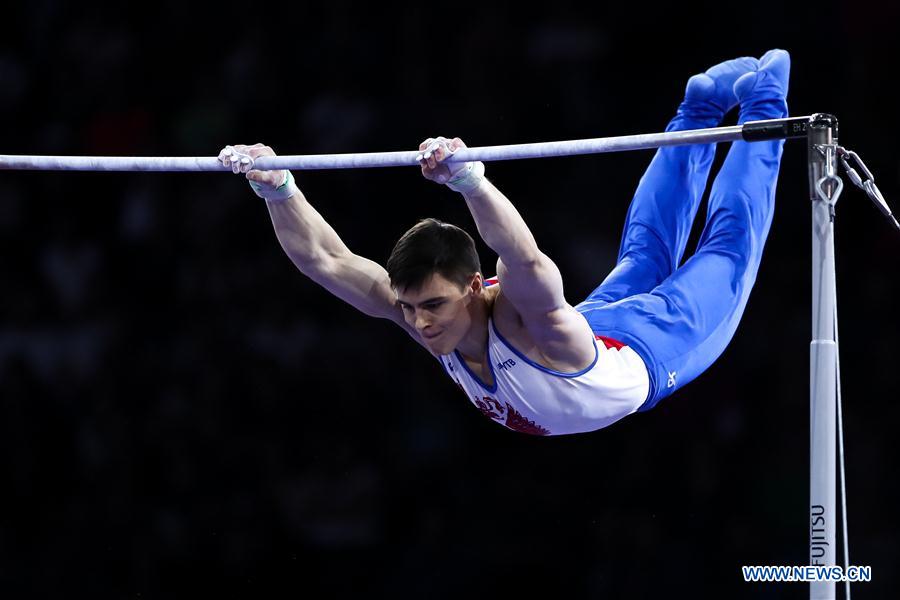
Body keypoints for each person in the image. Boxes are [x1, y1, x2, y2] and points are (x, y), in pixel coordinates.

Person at [218, 49, 790, 436]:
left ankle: (766, 100)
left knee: (726, 252)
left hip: (651, 352)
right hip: (604, 332)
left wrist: (471, 181)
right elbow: (324, 259)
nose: (419, 324)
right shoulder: (428, 320)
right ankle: (698, 108)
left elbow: (523, 257)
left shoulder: (525, 317)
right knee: (645, 252)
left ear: (475, 287)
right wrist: (278, 190)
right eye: (411, 307)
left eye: (434, 306)